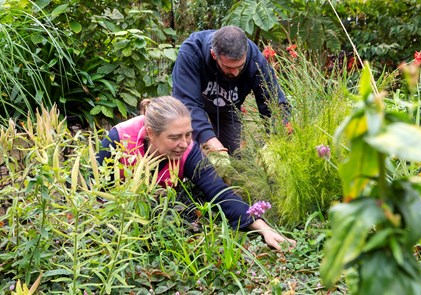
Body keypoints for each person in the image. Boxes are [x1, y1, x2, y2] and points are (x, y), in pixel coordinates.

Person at [96, 95, 296, 250]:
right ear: (150, 132)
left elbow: (219, 193)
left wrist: (264, 228)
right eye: (175, 137)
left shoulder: (189, 151)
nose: (184, 144)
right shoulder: (119, 140)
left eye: (188, 134)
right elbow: (95, 194)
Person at [172, 25, 290, 155]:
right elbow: (187, 103)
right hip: (193, 106)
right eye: (228, 67)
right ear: (213, 55)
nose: (234, 73)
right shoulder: (191, 52)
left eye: (240, 67)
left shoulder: (255, 60)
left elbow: (275, 104)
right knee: (190, 153)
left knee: (234, 156)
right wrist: (209, 139)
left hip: (228, 108)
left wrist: (276, 137)